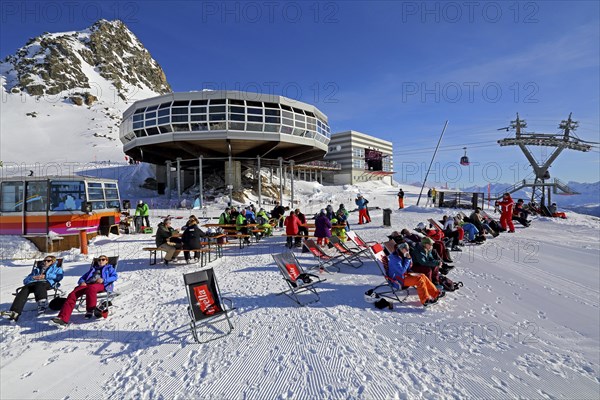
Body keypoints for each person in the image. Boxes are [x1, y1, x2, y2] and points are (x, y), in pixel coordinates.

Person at [51, 256, 117, 326]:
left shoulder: (109, 268)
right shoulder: (93, 269)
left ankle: (90, 310)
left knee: (91, 288)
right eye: (99, 260)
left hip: (101, 284)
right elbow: (82, 278)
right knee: (72, 294)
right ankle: (62, 318)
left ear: (106, 261)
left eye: (103, 260)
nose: (101, 261)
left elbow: (114, 277)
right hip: (87, 284)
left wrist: (104, 280)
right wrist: (82, 282)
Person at [3, 256, 63, 322]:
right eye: (44, 260)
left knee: (39, 285)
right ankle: (14, 312)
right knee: (25, 289)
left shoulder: (57, 269)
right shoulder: (37, 269)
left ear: (53, 262)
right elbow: (25, 281)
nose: (46, 262)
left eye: (48, 261)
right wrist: (33, 278)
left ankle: (42, 304)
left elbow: (59, 277)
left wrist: (45, 276)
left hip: (47, 282)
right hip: (34, 283)